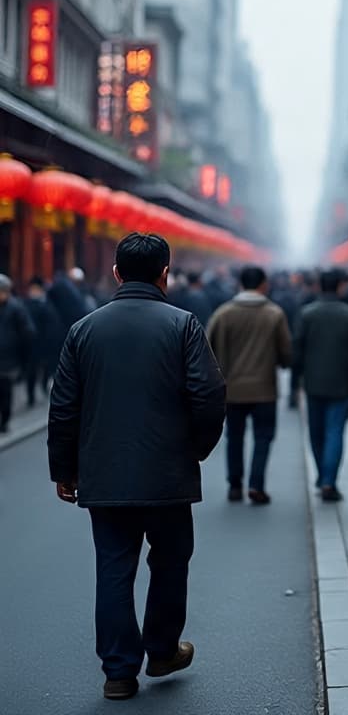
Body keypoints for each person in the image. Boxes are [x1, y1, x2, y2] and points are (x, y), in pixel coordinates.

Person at [47, 233, 226, 702]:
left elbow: (63, 406)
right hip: (168, 473)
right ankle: (162, 650)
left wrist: (64, 468)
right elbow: (209, 395)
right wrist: (196, 449)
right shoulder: (183, 325)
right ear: (165, 273)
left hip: (104, 473)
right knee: (170, 561)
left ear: (116, 273)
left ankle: (119, 671)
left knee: (113, 568)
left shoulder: (83, 330)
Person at [206, 265, 292, 504]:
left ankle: (235, 485)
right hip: (264, 389)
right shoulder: (274, 314)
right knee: (263, 437)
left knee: (234, 437)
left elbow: (208, 351)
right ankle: (256, 484)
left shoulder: (223, 314)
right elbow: (286, 351)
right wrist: (285, 363)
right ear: (264, 285)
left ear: (240, 284)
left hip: (232, 389)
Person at [293, 267, 348, 501]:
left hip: (313, 382)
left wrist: (296, 381)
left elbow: (297, 350)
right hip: (341, 383)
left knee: (316, 432)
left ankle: (322, 474)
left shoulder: (307, 314)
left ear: (318, 286)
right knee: (335, 431)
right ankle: (329, 481)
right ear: (340, 287)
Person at [0, 274, 34, 432]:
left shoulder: (16, 308)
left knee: (5, 390)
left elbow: (27, 331)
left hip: (9, 357)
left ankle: (4, 420)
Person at [23, 278, 60, 406]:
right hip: (30, 343)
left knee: (45, 367)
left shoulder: (47, 304)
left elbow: (52, 323)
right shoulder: (26, 304)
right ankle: (31, 395)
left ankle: (43, 386)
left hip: (44, 341)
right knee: (31, 370)